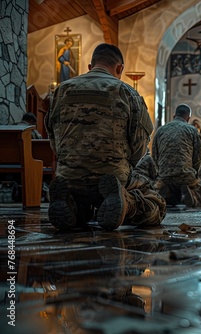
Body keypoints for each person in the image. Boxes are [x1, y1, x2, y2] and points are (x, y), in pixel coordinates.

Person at [46, 43, 166, 231]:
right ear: (120, 69)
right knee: (156, 203)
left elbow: (52, 135)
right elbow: (140, 142)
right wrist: (126, 165)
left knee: (83, 203)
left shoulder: (62, 90)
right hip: (113, 175)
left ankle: (71, 202)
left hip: (69, 175)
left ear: (90, 67)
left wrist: (70, 161)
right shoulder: (126, 92)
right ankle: (127, 204)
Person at [152, 103, 201, 207]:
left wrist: (160, 172)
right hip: (185, 175)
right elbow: (199, 156)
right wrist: (194, 172)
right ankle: (193, 196)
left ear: (174, 116)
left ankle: (166, 193)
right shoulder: (193, 130)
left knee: (171, 195)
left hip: (164, 176)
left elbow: (154, 155)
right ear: (188, 118)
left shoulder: (160, 130)